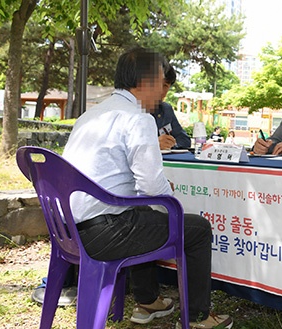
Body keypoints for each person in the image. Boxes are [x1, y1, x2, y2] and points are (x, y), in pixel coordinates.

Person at [62, 47, 232, 329]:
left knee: (145, 213)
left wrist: (156, 194)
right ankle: (199, 318)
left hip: (69, 229)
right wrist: (172, 202)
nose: (163, 93)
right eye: (161, 82)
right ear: (149, 80)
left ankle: (149, 300)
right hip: (104, 233)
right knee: (197, 229)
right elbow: (153, 187)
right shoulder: (138, 118)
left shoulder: (90, 115)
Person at [152, 62, 191, 150]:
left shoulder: (166, 110)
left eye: (165, 85)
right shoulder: (130, 110)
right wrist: (154, 145)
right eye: (156, 84)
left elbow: (184, 140)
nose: (160, 90)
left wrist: (170, 144)